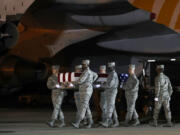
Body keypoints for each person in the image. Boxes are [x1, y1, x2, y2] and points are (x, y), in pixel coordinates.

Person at [72, 60, 98, 128]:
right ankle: (91, 122)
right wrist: (91, 81)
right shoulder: (89, 71)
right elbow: (96, 75)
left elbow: (80, 81)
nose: (82, 66)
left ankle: (77, 123)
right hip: (85, 91)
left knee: (83, 107)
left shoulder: (86, 72)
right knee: (86, 107)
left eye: (83, 65)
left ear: (86, 65)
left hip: (86, 91)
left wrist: (72, 82)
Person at [100, 62, 119, 128]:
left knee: (110, 106)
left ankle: (107, 121)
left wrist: (104, 85)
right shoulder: (110, 74)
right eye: (109, 67)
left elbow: (110, 84)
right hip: (109, 91)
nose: (109, 68)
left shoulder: (113, 74)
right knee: (112, 107)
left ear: (113, 67)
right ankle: (116, 122)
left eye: (110, 67)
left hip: (112, 91)